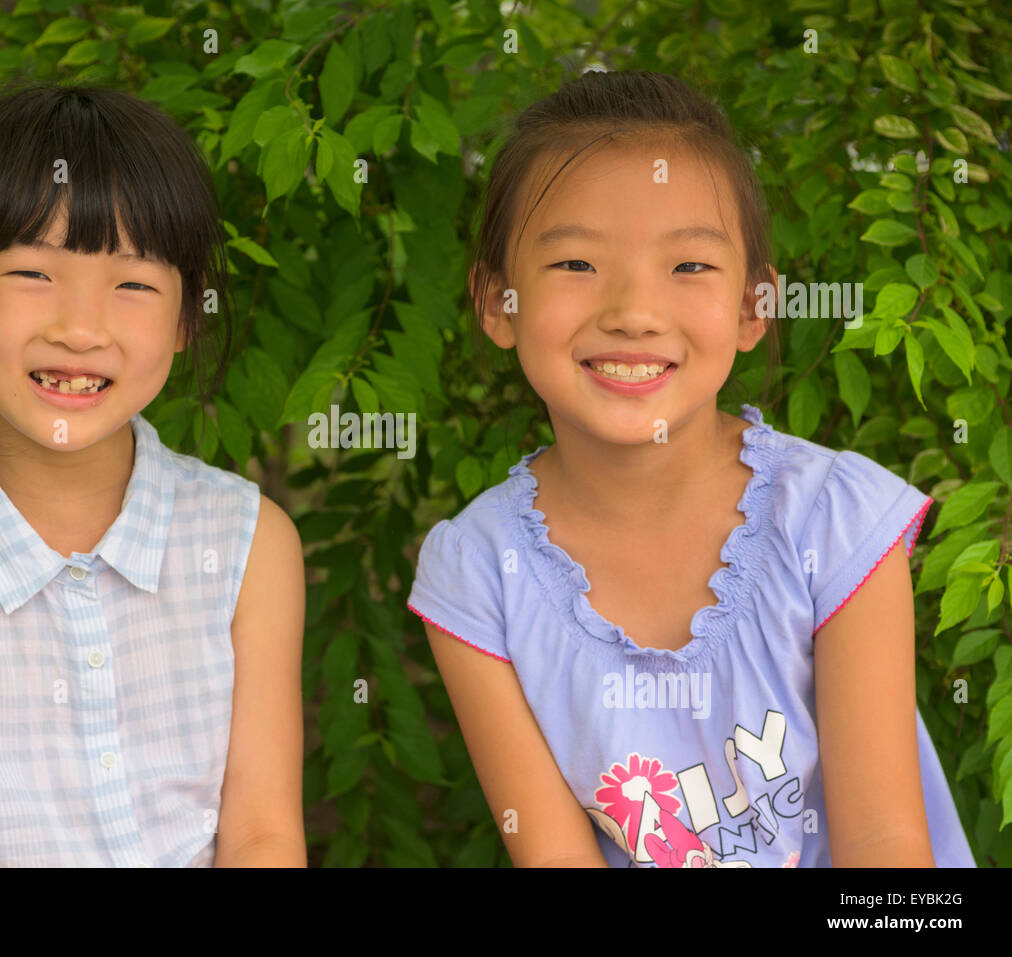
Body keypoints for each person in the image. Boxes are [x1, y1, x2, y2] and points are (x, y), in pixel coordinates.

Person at [406, 70, 975, 867]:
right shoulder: (475, 574)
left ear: (752, 309)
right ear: (499, 303)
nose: (634, 311)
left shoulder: (833, 522)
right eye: (575, 264)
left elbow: (884, 848)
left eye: (689, 267)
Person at [0, 80, 305, 867]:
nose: (80, 328)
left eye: (135, 283)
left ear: (188, 315)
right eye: (32, 274)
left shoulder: (248, 544)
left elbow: (263, 834)